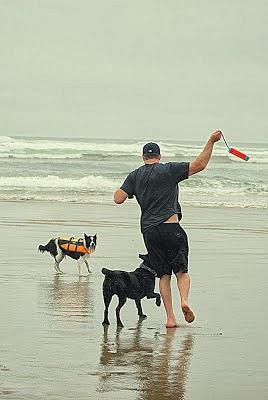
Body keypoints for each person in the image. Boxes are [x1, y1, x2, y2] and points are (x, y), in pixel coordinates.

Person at [114, 130, 222, 328]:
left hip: (149, 232)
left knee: (163, 275)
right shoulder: (168, 170)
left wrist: (132, 190)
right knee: (181, 271)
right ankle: (185, 301)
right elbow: (200, 165)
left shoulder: (134, 175)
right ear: (159, 157)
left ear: (143, 157)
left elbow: (118, 198)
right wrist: (211, 141)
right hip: (171, 227)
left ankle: (170, 318)